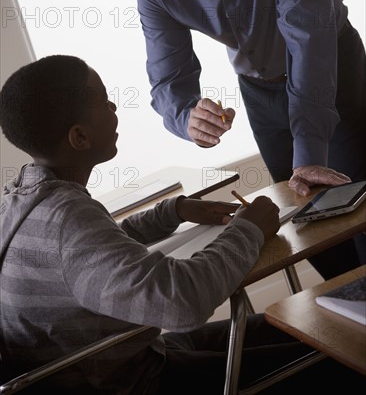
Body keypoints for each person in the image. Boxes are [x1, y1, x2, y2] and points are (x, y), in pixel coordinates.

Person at [0, 55, 362, 395]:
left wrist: (174, 211)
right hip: (137, 381)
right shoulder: (67, 222)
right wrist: (248, 229)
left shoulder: (26, 201)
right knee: (343, 352)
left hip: (127, 356)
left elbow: (95, 256)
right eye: (105, 102)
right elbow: (180, 304)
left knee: (306, 320)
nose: (114, 109)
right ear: (79, 137)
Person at [136, 0, 366, 279]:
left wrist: (310, 147)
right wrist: (188, 117)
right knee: (307, 218)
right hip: (258, 90)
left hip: (331, 69)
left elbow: (307, 40)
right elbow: (168, 76)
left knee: (357, 206)